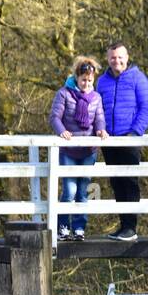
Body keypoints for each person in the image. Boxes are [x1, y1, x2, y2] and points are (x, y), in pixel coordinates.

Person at [97, 42, 148, 241]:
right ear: (108, 59)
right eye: (113, 57)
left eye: (120, 57)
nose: (117, 61)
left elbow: (146, 107)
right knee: (116, 182)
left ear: (127, 57)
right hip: (109, 140)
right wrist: (100, 129)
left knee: (130, 182)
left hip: (129, 138)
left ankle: (131, 227)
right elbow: (97, 108)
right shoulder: (102, 81)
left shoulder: (138, 78)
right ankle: (123, 226)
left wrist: (135, 132)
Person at [49, 57, 108, 241]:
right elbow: (55, 117)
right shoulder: (64, 93)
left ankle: (79, 227)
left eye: (90, 80)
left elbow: (99, 118)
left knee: (83, 191)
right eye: (84, 80)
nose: (87, 84)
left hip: (88, 150)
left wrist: (101, 129)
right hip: (69, 150)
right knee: (69, 191)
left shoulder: (96, 97)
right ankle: (63, 227)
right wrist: (62, 131)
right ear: (77, 77)